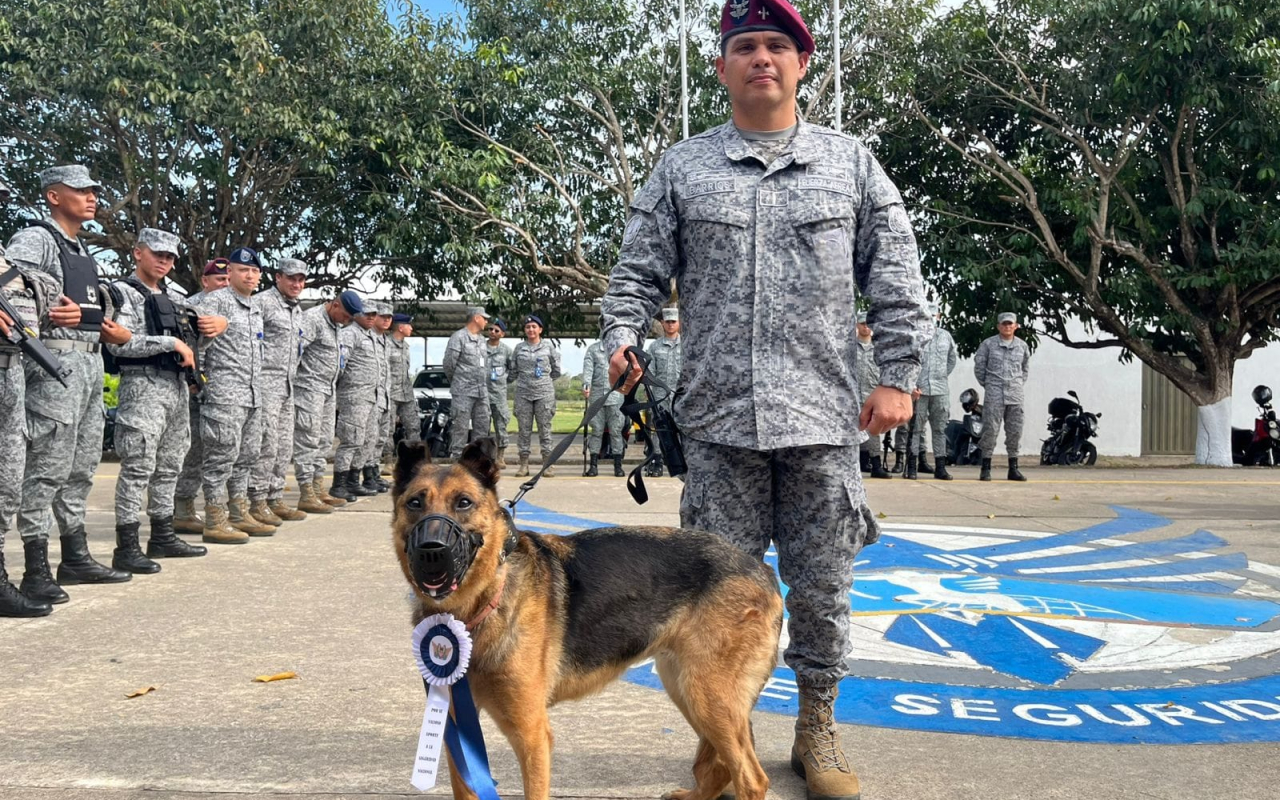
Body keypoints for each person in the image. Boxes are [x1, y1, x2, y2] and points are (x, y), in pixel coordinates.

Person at [599, 3, 930, 797]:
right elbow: (637, 271)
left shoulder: (850, 165)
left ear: (802, 63)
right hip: (717, 426)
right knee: (715, 599)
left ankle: (817, 728)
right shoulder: (683, 168)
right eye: (744, 46)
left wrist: (898, 375)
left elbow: (896, 276)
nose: (761, 58)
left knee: (821, 588)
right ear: (721, 67)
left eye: (777, 45)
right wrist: (619, 334)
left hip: (822, 421)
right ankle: (727, 739)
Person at [6, 165, 135, 603]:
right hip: (51, 369)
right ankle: (35, 567)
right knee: (45, 469)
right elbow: (14, 300)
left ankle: (75, 554)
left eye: (93, 190)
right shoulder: (35, 238)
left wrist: (103, 322)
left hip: (88, 368)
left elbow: (89, 307)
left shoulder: (81, 248)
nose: (92, 197)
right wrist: (50, 314)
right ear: (54, 196)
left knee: (80, 468)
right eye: (81, 191)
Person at [105, 228, 223, 572]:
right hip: (142, 386)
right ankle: (126, 546)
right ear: (138, 252)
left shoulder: (177, 299)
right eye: (158, 254)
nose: (164, 261)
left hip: (175, 388)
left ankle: (162, 534)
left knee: (170, 465)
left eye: (170, 257)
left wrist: (214, 330)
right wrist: (170, 345)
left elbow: (194, 347)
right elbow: (118, 343)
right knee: (138, 466)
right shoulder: (121, 293)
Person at [1, 178, 79, 617]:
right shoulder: (33, 239)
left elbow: (41, 295)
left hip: (12, 370)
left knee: (8, 483)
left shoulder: (12, 261)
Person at [189, 247, 272, 542]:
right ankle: (215, 518)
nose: (249, 275)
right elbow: (193, 344)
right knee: (220, 457)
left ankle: (239, 512)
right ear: (231, 273)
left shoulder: (256, 307)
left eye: (254, 271)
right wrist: (197, 380)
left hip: (252, 393)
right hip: (224, 393)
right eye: (242, 270)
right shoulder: (215, 302)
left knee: (247, 455)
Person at [248, 257, 309, 526]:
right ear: (278, 278)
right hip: (265, 384)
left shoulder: (296, 309)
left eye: (300, 279)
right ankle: (256, 500)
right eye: (291, 278)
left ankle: (274, 498)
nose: (296, 283)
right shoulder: (262, 303)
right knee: (266, 445)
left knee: (284, 446)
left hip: (287, 386)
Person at [173, 258, 232, 534]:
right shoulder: (192, 307)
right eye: (219, 280)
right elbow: (192, 349)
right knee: (191, 451)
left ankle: (198, 509)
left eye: (227, 280)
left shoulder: (231, 308)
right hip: (194, 391)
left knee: (216, 452)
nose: (224, 284)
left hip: (221, 392)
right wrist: (196, 383)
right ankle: (181, 509)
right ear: (205, 281)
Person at [292, 291, 361, 512]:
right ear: (335, 305)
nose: (348, 321)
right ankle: (306, 492)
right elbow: (295, 352)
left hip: (328, 389)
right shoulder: (312, 319)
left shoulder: (336, 325)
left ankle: (318, 487)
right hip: (308, 387)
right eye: (347, 315)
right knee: (308, 440)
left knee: (323, 440)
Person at [974, 311, 1031, 482]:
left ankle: (1013, 468)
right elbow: (979, 368)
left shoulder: (1022, 346)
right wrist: (990, 385)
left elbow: (1025, 369)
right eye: (1004, 324)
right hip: (994, 394)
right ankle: (986, 467)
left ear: (1016, 326)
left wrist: (1016, 384)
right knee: (990, 430)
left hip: (1015, 395)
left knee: (1015, 431)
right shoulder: (988, 345)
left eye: (1010, 324)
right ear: (998, 326)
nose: (1007, 327)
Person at [332, 303, 380, 500]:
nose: (370, 317)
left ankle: (353, 480)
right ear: (356, 314)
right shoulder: (350, 333)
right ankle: (339, 484)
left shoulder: (372, 336)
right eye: (366, 313)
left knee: (366, 440)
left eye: (373, 314)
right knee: (351, 440)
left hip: (371, 397)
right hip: (354, 396)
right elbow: (340, 364)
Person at [509, 314, 561, 477]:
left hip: (544, 393)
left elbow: (556, 370)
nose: (531, 329)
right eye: (527, 327)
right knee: (523, 431)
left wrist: (543, 382)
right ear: (525, 330)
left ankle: (547, 464)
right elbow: (513, 370)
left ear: (540, 329)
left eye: (533, 327)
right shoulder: (519, 348)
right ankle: (523, 465)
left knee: (544, 430)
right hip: (523, 393)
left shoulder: (548, 347)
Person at [911, 302, 957, 481]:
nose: (930, 319)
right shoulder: (915, 336)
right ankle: (913, 466)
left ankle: (940, 467)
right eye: (926, 316)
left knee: (939, 429)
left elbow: (952, 359)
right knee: (915, 429)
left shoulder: (946, 336)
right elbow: (909, 360)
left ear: (938, 317)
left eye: (933, 316)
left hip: (940, 390)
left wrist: (941, 377)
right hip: (919, 390)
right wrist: (912, 384)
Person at [442, 306, 492, 461]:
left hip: (481, 392)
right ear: (476, 318)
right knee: (460, 428)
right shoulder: (458, 337)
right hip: (463, 391)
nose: (486, 321)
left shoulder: (483, 340)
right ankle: (456, 461)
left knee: (482, 427)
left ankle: (478, 462)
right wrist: (458, 382)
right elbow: (449, 364)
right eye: (484, 318)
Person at [644, 306, 682, 477]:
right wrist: (650, 392)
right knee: (660, 430)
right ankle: (656, 461)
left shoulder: (687, 345)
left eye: (673, 322)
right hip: (660, 396)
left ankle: (682, 462)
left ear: (679, 323)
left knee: (683, 429)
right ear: (662, 323)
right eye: (667, 322)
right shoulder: (654, 346)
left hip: (681, 396)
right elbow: (649, 372)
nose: (670, 325)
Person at [361, 302, 393, 493]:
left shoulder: (384, 340)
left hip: (384, 397)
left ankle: (373, 473)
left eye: (389, 317)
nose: (387, 320)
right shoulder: (366, 337)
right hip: (368, 397)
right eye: (383, 317)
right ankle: (366, 475)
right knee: (368, 438)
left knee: (379, 438)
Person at [581, 339, 626, 477]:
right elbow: (588, 369)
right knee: (596, 431)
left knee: (616, 432)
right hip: (597, 398)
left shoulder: (622, 351)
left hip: (616, 397)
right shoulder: (593, 349)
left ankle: (618, 466)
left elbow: (628, 371)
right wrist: (586, 384)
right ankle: (593, 465)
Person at [855, 314, 891, 480]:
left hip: (871, 393)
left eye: (868, 324)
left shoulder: (878, 348)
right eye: (862, 323)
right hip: (853, 395)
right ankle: (859, 462)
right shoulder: (850, 347)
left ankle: (876, 464)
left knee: (873, 431)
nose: (866, 327)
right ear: (857, 325)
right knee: (852, 430)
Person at [388, 311, 419, 452]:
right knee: (387, 428)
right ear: (401, 327)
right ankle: (388, 459)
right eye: (409, 325)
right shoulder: (386, 344)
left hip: (406, 393)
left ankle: (416, 459)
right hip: (390, 393)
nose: (411, 328)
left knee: (413, 426)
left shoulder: (406, 346)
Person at [484, 317, 512, 468]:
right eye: (490, 329)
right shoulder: (480, 347)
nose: (492, 332)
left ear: (502, 334)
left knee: (501, 426)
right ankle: (485, 457)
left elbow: (513, 370)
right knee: (483, 427)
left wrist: (503, 381)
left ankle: (500, 457)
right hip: (481, 393)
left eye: (496, 330)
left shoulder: (506, 351)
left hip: (499, 395)